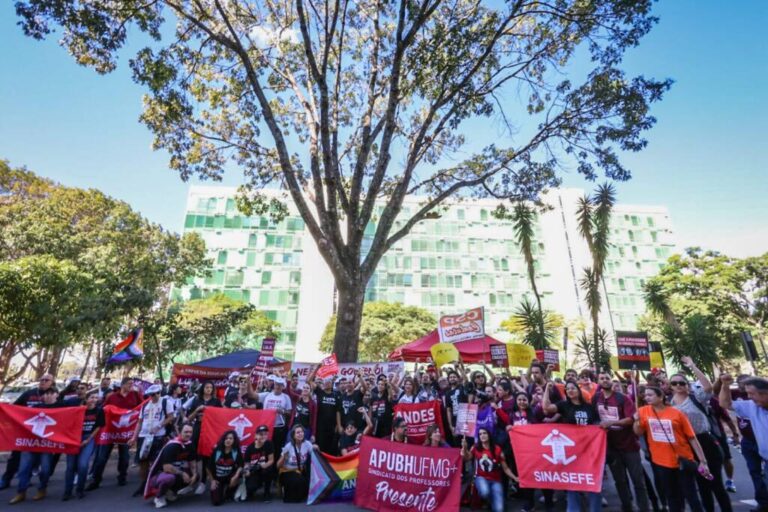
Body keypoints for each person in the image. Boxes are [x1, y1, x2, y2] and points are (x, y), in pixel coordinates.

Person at [668, 357, 732, 512]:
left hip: (706, 441)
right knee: (702, 485)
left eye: (681, 383)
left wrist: (692, 366)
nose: (678, 386)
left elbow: (708, 388)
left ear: (687, 384)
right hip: (687, 446)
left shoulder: (696, 397)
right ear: (670, 386)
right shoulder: (669, 404)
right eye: (674, 383)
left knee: (715, 483)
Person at [633, 386, 708, 512]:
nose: (647, 398)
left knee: (691, 495)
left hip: (682, 460)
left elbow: (691, 438)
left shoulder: (676, 413)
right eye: (646, 395)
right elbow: (638, 432)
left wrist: (703, 461)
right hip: (661, 461)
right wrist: (636, 421)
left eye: (650, 395)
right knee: (672, 496)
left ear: (661, 397)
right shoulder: (643, 411)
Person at [593, 371, 650, 512]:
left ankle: (644, 508)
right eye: (602, 378)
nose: (605, 380)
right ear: (598, 381)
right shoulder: (595, 398)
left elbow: (631, 419)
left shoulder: (622, 398)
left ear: (611, 380)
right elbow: (593, 418)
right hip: (611, 447)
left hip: (629, 446)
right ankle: (627, 507)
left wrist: (611, 422)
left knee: (638, 481)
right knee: (620, 481)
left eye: (607, 377)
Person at [541, 379, 601, 512]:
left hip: (589, 450)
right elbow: (546, 408)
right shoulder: (564, 405)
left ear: (578, 390)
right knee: (573, 483)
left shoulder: (589, 407)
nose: (570, 390)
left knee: (592, 480)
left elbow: (597, 424)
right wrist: (546, 389)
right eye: (567, 389)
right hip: (572, 452)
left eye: (573, 388)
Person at [718, 374, 768, 512]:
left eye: (752, 393)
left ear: (765, 393)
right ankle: (763, 504)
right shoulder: (752, 406)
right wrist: (725, 385)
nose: (749, 397)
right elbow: (724, 404)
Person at [1, 374, 55, 491]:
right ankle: (6, 479)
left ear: (51, 382)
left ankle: (30, 481)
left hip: (43, 435)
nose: (43, 381)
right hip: (25, 432)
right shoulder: (29, 394)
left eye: (47, 380)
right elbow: (14, 408)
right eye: (42, 379)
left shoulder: (54, 396)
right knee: (15, 457)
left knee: (36, 460)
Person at [9, 387, 62, 505]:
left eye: (50, 393)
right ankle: (21, 492)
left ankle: (42, 489)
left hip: (47, 445)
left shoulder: (61, 407)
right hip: (31, 442)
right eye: (45, 394)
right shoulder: (35, 407)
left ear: (56, 395)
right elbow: (25, 419)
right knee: (23, 468)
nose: (47, 396)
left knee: (45, 469)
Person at [88, 376, 142, 490]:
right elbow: (104, 409)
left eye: (132, 384)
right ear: (122, 385)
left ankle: (122, 477)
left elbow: (142, 408)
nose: (131, 386)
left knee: (125, 457)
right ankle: (96, 480)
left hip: (126, 431)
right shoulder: (112, 397)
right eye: (129, 384)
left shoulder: (136, 395)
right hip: (110, 430)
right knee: (102, 457)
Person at [130, 384, 175, 497]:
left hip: (158, 436)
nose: (155, 396)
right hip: (143, 436)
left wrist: (159, 426)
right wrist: (134, 437)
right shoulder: (145, 405)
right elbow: (139, 422)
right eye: (152, 394)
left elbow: (171, 417)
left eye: (157, 393)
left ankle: (155, 484)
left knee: (156, 462)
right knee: (143, 462)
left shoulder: (166, 402)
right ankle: (143, 484)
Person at [461, 428, 517, 512]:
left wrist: (515, 478)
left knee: (499, 509)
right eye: (480, 434)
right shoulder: (476, 447)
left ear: (489, 435)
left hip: (495, 480)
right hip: (481, 478)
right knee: (485, 492)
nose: (482, 435)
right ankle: (490, 499)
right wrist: (464, 448)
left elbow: (505, 468)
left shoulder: (497, 449)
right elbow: (467, 458)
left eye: (484, 433)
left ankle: (493, 502)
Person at [145, 423, 200, 509]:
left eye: (190, 432)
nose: (188, 434)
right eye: (186, 432)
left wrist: (195, 474)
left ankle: (171, 491)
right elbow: (166, 467)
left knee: (195, 475)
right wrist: (182, 473)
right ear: (179, 432)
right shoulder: (172, 446)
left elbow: (192, 462)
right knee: (168, 478)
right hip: (160, 475)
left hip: (176, 472)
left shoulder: (190, 445)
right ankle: (159, 497)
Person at [63, 390, 104, 501]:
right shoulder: (77, 410)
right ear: (86, 399)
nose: (94, 400)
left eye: (96, 397)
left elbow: (98, 427)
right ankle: (67, 491)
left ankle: (80, 490)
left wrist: (88, 439)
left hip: (88, 439)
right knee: (70, 466)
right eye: (91, 397)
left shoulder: (99, 411)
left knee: (83, 464)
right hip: (73, 439)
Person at [184, 380, 221, 487]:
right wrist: (197, 411)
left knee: (206, 454)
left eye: (211, 388)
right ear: (202, 389)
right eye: (207, 387)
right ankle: (194, 477)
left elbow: (220, 416)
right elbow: (189, 418)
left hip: (210, 429)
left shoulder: (216, 401)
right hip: (197, 427)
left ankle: (204, 480)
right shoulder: (196, 400)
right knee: (193, 452)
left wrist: (210, 414)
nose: (209, 389)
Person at [259, 376, 293, 460]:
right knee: (266, 447)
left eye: (280, 385)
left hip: (280, 427)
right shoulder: (267, 395)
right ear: (274, 385)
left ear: (283, 387)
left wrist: (282, 411)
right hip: (268, 426)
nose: (278, 386)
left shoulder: (286, 397)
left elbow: (289, 412)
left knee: (277, 448)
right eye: (276, 384)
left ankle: (275, 467)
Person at [277, 425, 313, 503]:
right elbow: (278, 465)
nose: (300, 434)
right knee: (298, 481)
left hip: (300, 471)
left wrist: (317, 448)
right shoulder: (288, 446)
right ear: (293, 435)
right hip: (287, 471)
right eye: (298, 432)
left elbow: (316, 455)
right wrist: (284, 457)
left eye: (302, 432)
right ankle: (285, 490)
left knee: (305, 486)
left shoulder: (307, 444)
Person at [207, 430, 243, 506]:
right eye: (226, 438)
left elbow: (240, 465)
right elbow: (208, 467)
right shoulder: (217, 451)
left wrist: (236, 477)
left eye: (231, 438)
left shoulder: (236, 452)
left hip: (229, 477)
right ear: (223, 440)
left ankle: (229, 490)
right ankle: (220, 490)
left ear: (234, 440)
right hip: (218, 478)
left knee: (238, 475)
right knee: (216, 502)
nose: (228, 440)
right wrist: (212, 480)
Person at [310, 370, 340, 455]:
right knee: (320, 448)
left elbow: (338, 411)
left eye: (329, 382)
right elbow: (309, 381)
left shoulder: (336, 395)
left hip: (332, 427)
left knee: (330, 448)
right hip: (320, 427)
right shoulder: (320, 392)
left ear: (332, 384)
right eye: (326, 382)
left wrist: (338, 425)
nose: (327, 383)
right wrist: (316, 368)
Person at [243, 425, 275, 502]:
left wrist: (264, 465)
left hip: (264, 469)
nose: (263, 436)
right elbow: (246, 463)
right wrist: (246, 470)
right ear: (255, 435)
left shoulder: (269, 444)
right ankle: (255, 487)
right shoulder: (250, 448)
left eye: (265, 434)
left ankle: (267, 492)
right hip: (254, 470)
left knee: (269, 469)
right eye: (261, 434)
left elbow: (271, 460)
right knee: (250, 488)